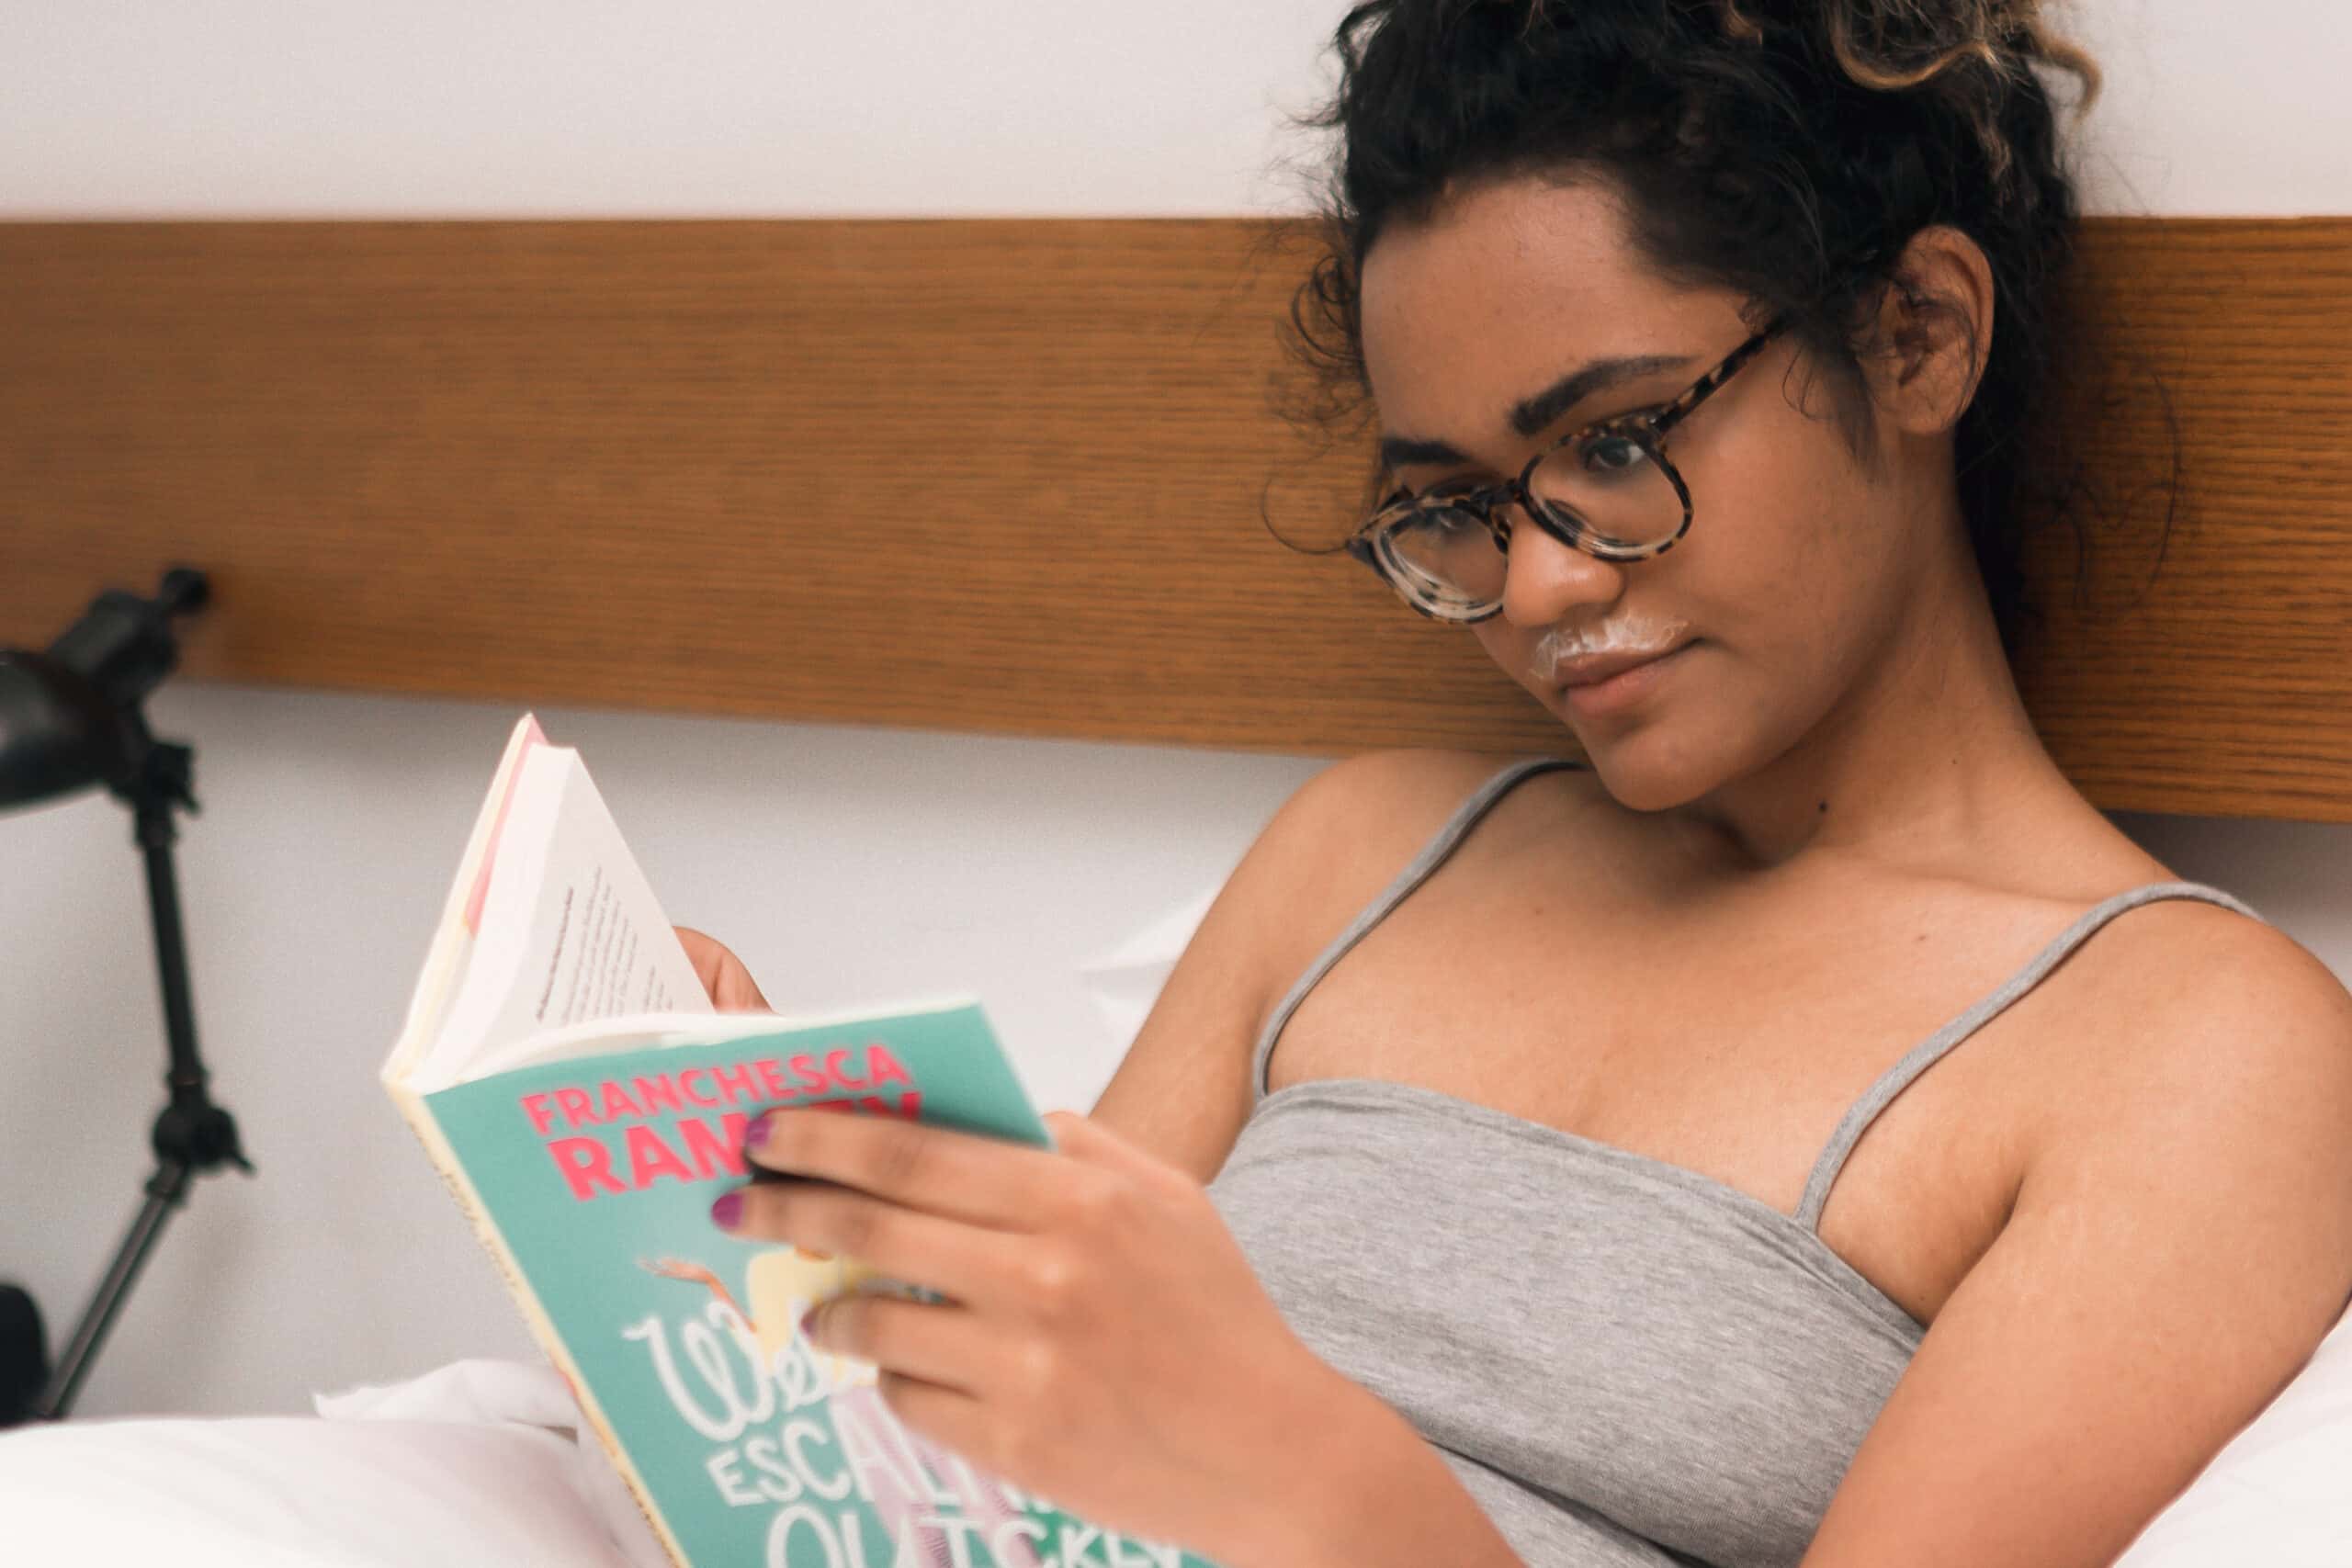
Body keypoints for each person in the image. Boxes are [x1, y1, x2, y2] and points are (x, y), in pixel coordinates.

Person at [682, 3, 2352, 1564]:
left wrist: (1304, 1468)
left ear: (1917, 336)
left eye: (1618, 447)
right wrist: (772, 1207)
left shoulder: (2193, 1052)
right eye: (1461, 506)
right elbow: (991, 1430)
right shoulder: (1367, 853)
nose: (1538, 589)